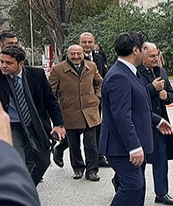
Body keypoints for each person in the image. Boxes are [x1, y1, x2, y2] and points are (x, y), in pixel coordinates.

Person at [91, 32, 172, 206]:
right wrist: (134, 146)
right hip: (121, 146)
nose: (145, 51)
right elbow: (121, 116)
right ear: (135, 50)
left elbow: (139, 107)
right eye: (142, 48)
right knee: (132, 186)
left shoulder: (130, 73)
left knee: (139, 186)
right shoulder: (118, 76)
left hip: (133, 142)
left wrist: (156, 121)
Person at [0, 45, 66, 185]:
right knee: (17, 163)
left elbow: (50, 100)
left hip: (34, 124)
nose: (3, 66)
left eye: (8, 63)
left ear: (20, 64)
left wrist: (59, 124)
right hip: (12, 127)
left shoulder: (36, 75)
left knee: (43, 162)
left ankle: (27, 190)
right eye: (1, 61)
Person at [53, 32, 110, 168]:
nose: (87, 45)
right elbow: (52, 91)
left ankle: (95, 163)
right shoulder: (61, 67)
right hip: (71, 108)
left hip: (92, 105)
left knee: (92, 137)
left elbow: (101, 80)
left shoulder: (98, 59)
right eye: (84, 42)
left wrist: (97, 97)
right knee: (73, 139)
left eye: (90, 42)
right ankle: (70, 159)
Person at [48, 44, 103, 181]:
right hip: (69, 112)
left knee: (91, 143)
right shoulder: (58, 69)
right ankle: (78, 168)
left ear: (83, 53)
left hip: (90, 111)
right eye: (73, 54)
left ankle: (92, 171)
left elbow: (100, 83)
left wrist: (97, 97)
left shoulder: (91, 66)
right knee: (74, 144)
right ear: (68, 54)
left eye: (79, 53)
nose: (76, 56)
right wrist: (54, 112)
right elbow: (50, 92)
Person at [137, 42, 173, 206]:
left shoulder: (160, 72)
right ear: (143, 56)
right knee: (139, 159)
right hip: (142, 122)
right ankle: (126, 186)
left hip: (160, 121)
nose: (155, 59)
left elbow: (171, 95)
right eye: (152, 56)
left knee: (161, 158)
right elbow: (136, 95)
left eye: (157, 55)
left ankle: (162, 193)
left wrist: (166, 96)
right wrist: (152, 88)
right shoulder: (136, 72)